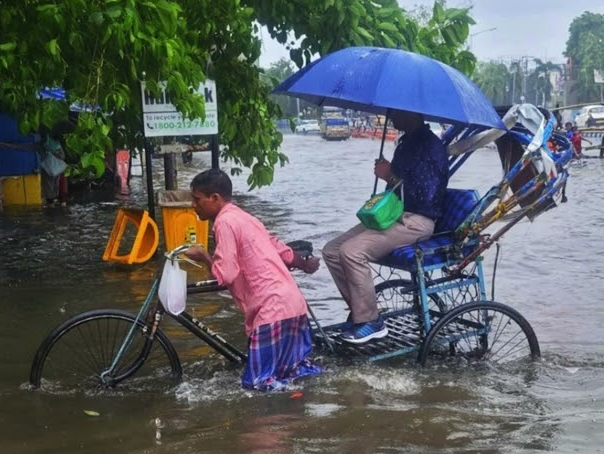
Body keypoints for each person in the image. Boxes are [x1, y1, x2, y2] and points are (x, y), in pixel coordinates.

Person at [184, 169, 323, 391]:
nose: (193, 205)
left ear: (215, 199)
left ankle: (276, 422)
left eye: (197, 199)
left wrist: (203, 256)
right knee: (294, 374)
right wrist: (304, 264)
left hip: (272, 310)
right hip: (292, 304)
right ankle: (304, 412)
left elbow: (225, 275)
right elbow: (278, 247)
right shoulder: (243, 216)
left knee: (257, 385)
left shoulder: (224, 223)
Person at [323, 110, 448, 344]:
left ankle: (371, 322)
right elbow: (400, 186)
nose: (390, 117)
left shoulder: (431, 147)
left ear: (412, 114)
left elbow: (424, 196)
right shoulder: (405, 142)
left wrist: (390, 175)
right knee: (331, 250)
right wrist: (390, 175)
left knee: (351, 252)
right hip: (393, 214)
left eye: (395, 112)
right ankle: (362, 312)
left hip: (417, 221)